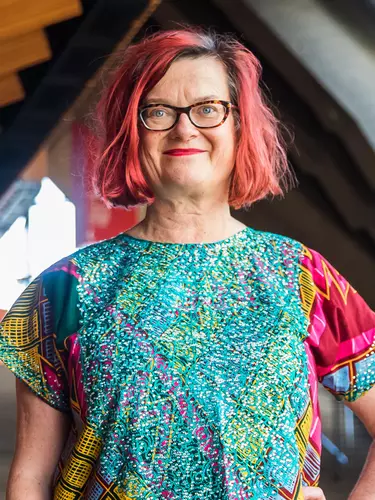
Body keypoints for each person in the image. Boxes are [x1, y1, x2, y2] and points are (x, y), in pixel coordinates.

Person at [1, 28, 374, 500]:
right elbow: (30, 476)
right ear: (130, 132)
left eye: (208, 108)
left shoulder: (301, 275)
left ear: (240, 126)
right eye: (157, 111)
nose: (184, 128)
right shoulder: (64, 289)